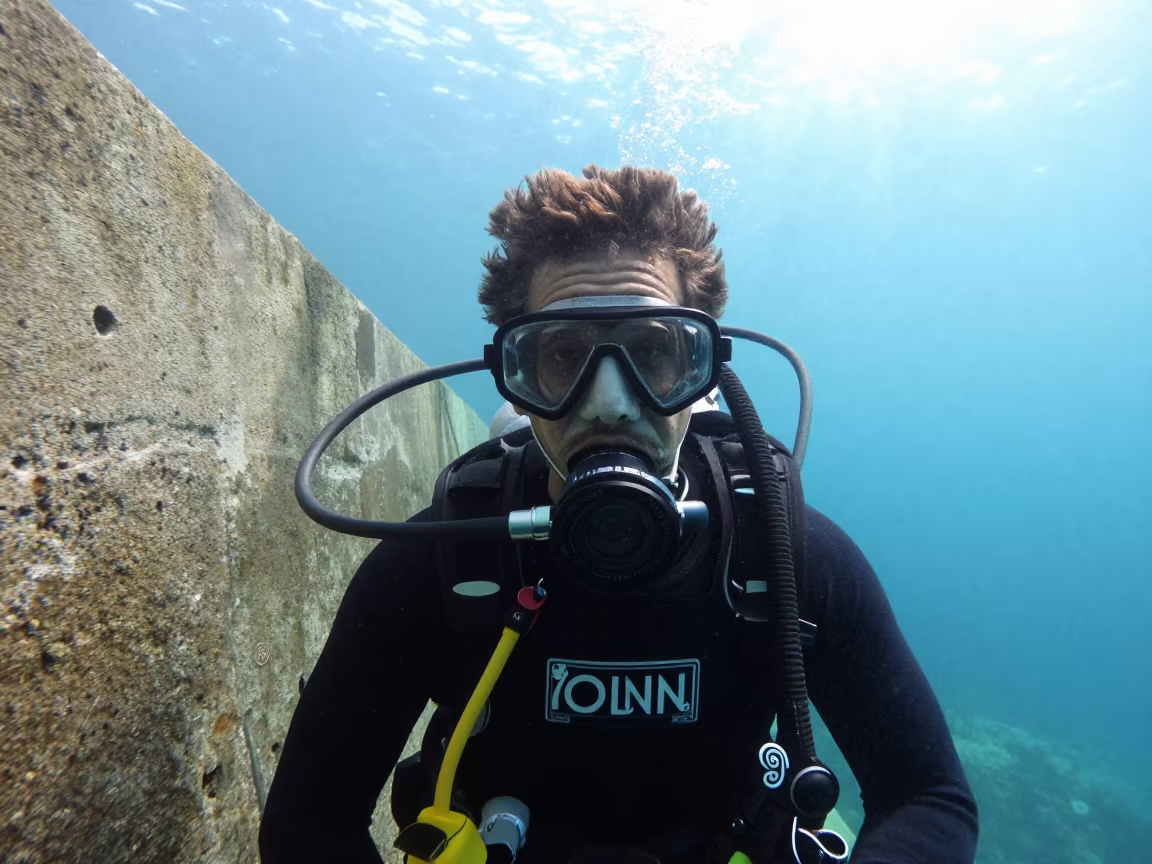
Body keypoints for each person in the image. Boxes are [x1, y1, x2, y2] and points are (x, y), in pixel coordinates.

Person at [259, 165, 978, 864]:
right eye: (564, 356)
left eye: (655, 355)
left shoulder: (783, 554)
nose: (608, 404)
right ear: (521, 378)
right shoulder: (440, 564)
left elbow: (928, 798)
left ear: (701, 377)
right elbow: (308, 824)